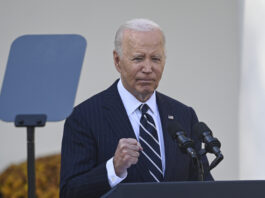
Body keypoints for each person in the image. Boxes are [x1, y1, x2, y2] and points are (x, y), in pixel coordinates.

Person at [60, 18, 213, 198]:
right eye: (138, 58)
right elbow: (70, 192)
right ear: (117, 61)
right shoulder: (84, 117)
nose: (147, 68)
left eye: (155, 59)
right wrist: (114, 169)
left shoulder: (183, 115)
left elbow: (204, 184)